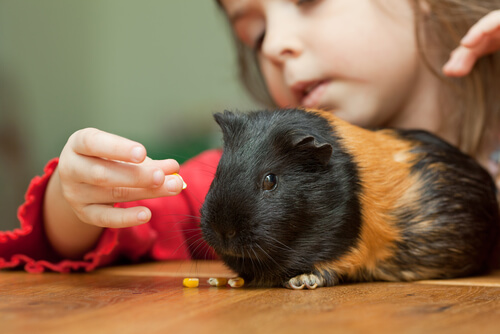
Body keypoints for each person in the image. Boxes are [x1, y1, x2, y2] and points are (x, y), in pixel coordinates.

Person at [1, 0, 499, 273]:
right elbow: (133, 221)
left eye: (307, 0)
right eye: (255, 35)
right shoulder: (231, 170)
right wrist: (74, 200)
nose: (277, 45)